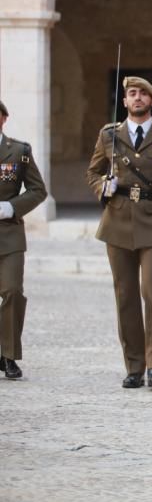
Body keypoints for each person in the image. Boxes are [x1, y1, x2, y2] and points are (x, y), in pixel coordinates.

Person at [86, 76, 152, 390]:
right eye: (132, 94)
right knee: (126, 295)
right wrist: (104, 186)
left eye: (144, 94)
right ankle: (134, 365)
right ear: (125, 101)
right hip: (117, 221)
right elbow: (93, 172)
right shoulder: (109, 135)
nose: (138, 98)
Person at [0, 100, 48, 380]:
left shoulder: (19, 151)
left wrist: (12, 207)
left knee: (12, 292)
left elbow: (38, 190)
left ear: (4, 119)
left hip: (9, 234)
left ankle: (8, 355)